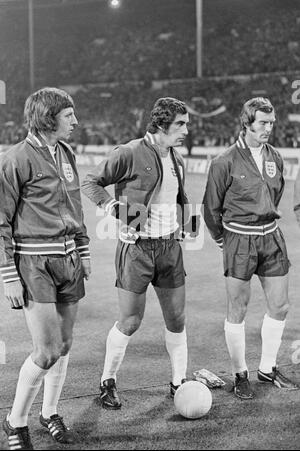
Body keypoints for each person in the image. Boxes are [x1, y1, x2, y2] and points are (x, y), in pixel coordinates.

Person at [82, 97, 198, 409]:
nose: (187, 130)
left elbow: (179, 197)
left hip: (170, 247)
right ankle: (108, 381)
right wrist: (112, 208)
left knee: (177, 318)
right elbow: (90, 182)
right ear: (161, 124)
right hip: (137, 249)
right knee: (130, 321)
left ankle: (178, 383)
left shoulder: (177, 158)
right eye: (180, 124)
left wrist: (190, 224)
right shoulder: (129, 152)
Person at [0, 87, 91, 449]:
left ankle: (49, 411)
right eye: (69, 116)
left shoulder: (65, 153)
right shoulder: (16, 158)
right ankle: (15, 421)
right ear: (49, 117)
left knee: (65, 345)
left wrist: (83, 251)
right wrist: (8, 275)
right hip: (33, 262)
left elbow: (76, 207)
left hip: (68, 258)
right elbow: (0, 220)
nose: (76, 122)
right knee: (47, 350)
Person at [202, 97, 299, 400]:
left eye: (272, 122)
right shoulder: (224, 161)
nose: (269, 128)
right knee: (238, 310)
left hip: (271, 236)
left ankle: (267, 368)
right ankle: (240, 372)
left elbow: (276, 192)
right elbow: (210, 208)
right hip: (239, 239)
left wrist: (265, 212)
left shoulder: (276, 157)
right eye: (263, 123)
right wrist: (223, 239)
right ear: (247, 123)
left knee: (280, 305)